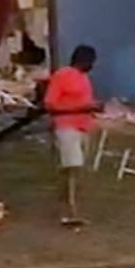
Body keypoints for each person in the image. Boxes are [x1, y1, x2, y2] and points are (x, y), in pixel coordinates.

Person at [44, 45, 102, 226]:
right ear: (83, 60)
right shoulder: (62, 75)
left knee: (77, 170)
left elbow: (82, 102)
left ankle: (68, 205)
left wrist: (93, 107)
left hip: (83, 127)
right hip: (66, 126)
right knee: (73, 167)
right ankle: (71, 211)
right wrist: (83, 108)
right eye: (91, 62)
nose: (92, 66)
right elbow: (50, 105)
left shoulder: (84, 78)